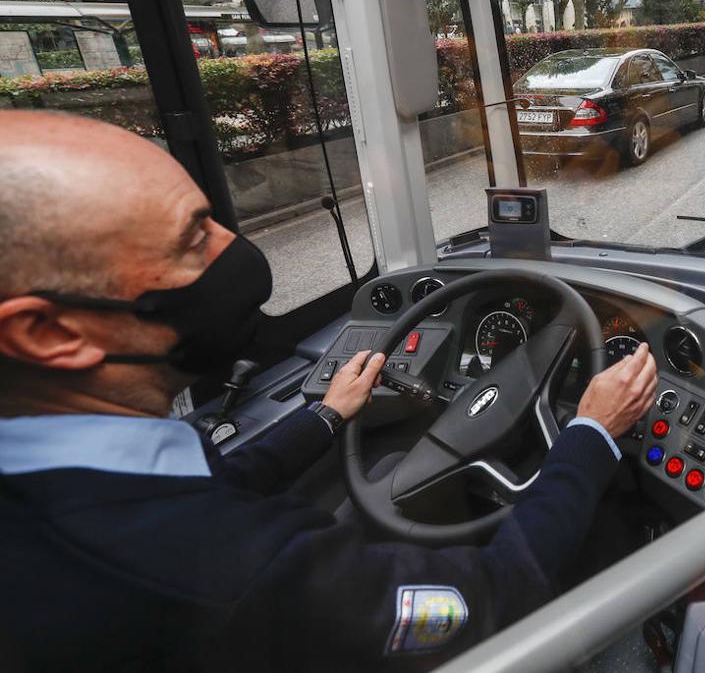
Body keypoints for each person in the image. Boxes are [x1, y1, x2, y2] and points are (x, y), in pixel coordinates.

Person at [0, 109, 658, 670]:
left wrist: (325, 416)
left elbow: (217, 481)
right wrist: (590, 434)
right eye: (194, 240)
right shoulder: (225, 570)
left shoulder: (79, 481)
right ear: (47, 332)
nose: (236, 248)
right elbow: (488, 596)